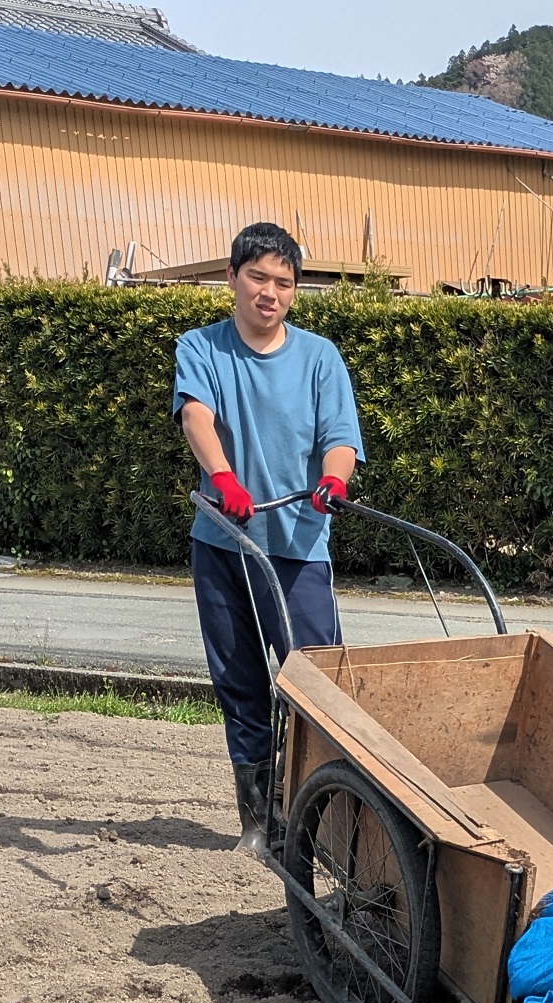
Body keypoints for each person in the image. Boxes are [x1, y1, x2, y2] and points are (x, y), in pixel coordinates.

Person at [174, 222, 366, 853]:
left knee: (315, 682)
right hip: (224, 542)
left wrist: (333, 483)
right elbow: (196, 413)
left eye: (284, 282)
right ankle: (259, 824)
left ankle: (327, 820)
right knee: (241, 681)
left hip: (299, 542)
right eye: (258, 277)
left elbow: (340, 438)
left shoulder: (319, 358)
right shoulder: (201, 348)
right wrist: (221, 475)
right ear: (233, 278)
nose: (270, 292)